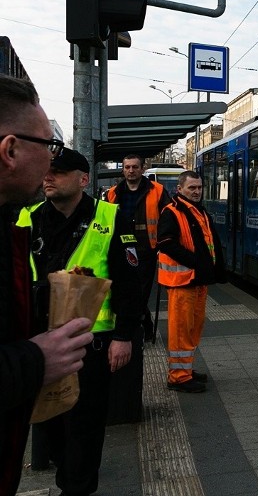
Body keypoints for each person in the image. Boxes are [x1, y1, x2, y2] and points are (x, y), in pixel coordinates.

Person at [16, 148, 142, 496]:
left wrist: (124, 335)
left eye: (57, 171)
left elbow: (131, 281)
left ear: (83, 179)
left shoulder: (111, 217)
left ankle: (78, 488)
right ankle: (65, 477)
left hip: (91, 344)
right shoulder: (29, 218)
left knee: (84, 427)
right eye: (46, 171)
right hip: (41, 342)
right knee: (51, 423)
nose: (48, 177)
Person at [0, 75, 93, 494]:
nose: (51, 164)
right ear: (11, 150)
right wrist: (36, 360)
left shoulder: (9, 220)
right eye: (48, 146)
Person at [157, 171, 225, 394]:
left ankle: (186, 369)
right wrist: (195, 261)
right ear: (180, 189)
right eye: (191, 188)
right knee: (181, 330)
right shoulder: (172, 212)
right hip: (182, 281)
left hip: (196, 280)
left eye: (199, 187)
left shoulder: (198, 211)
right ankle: (177, 376)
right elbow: (165, 243)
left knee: (193, 328)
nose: (196, 191)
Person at [105, 154, 172, 342]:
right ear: (123, 169)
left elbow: (168, 217)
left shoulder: (157, 190)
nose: (131, 171)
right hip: (120, 250)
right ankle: (145, 324)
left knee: (140, 292)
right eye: (127, 167)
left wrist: (163, 242)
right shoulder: (113, 193)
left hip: (146, 250)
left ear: (142, 168)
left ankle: (137, 329)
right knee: (124, 289)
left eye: (135, 167)